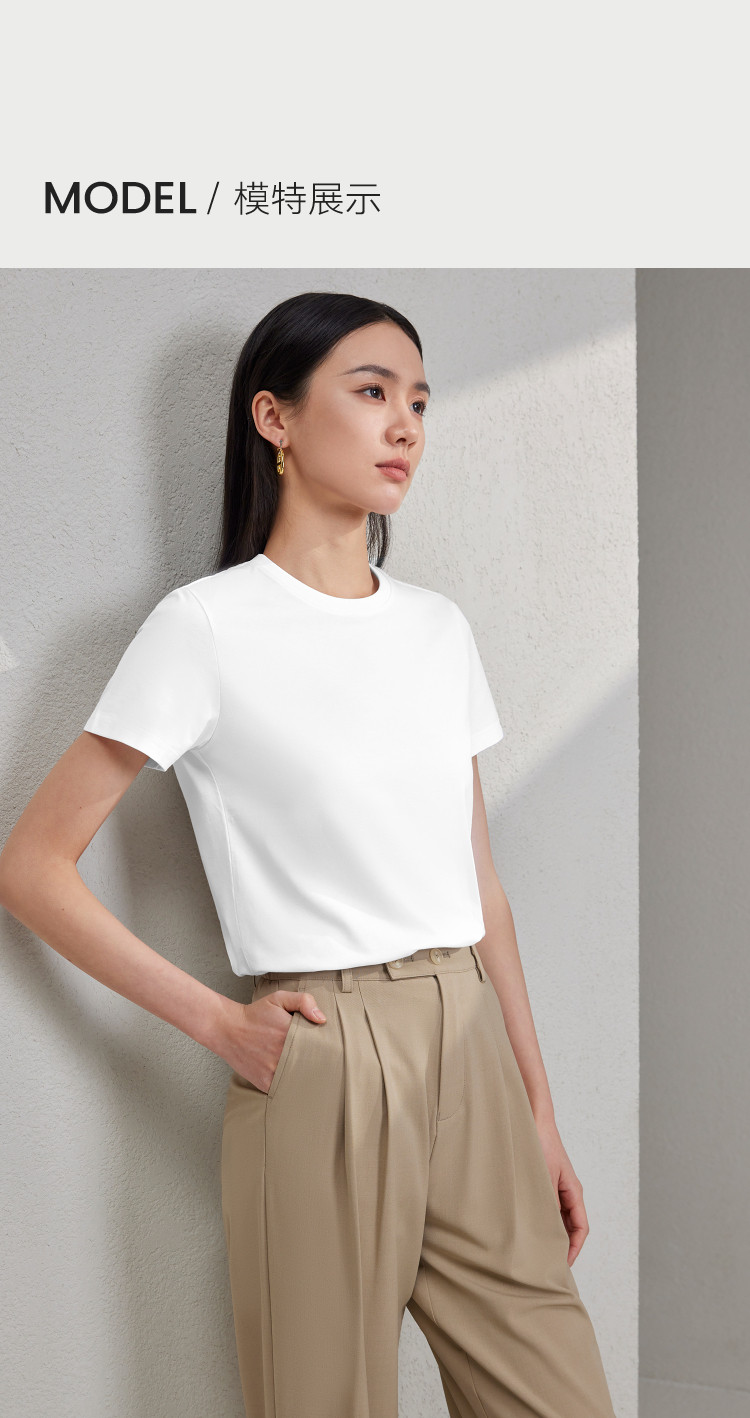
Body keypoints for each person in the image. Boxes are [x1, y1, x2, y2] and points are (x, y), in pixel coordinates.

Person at [0, 291, 618, 1418]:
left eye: (419, 400)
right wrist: (218, 1023)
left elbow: (480, 886)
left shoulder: (437, 630)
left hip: (469, 1037)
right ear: (274, 418)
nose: (405, 424)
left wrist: (538, 1104)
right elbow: (34, 865)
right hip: (326, 1052)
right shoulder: (205, 627)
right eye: (372, 391)